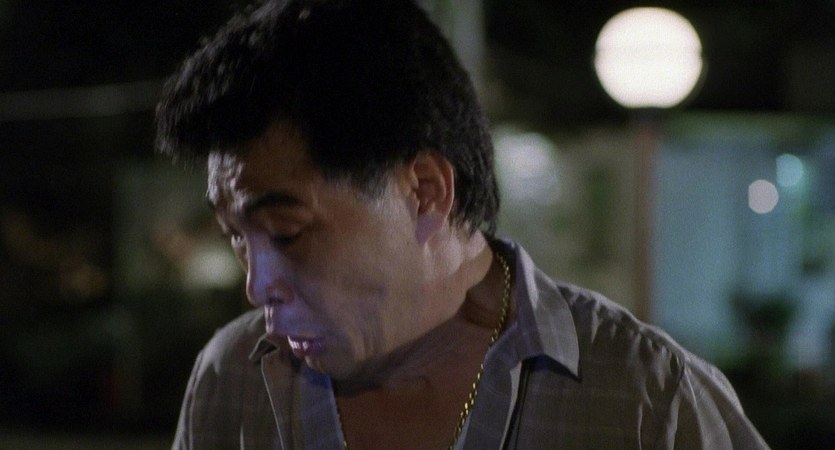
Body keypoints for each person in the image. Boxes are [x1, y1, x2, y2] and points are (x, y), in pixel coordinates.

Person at [155, 0, 770, 448]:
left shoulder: (644, 399)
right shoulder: (233, 380)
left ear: (425, 192)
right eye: (237, 238)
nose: (257, 286)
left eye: (287, 233)